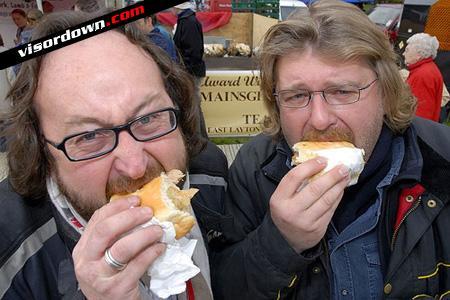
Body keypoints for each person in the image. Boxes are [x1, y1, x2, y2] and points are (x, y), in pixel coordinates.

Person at [210, 1, 450, 299]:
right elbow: (222, 285)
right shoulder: (254, 168)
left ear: (386, 93)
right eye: (297, 95)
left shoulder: (442, 159)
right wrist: (278, 242)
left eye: (343, 91)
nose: (320, 120)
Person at [0, 10, 228, 299]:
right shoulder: (10, 251)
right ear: (43, 151)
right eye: (89, 136)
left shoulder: (211, 174)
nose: (134, 166)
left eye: (148, 118)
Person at [172, 2, 208, 138]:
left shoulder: (188, 22)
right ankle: (202, 139)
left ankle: (199, 139)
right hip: (190, 70)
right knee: (194, 106)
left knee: (193, 107)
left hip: (191, 72)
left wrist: (185, 71)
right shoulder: (186, 21)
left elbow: (193, 52)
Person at [403, 33, 444, 122]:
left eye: (407, 50)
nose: (403, 54)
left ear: (419, 54)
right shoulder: (427, 69)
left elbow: (420, 114)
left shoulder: (423, 75)